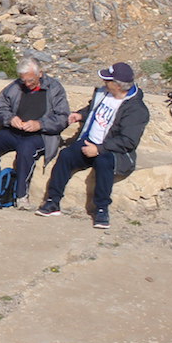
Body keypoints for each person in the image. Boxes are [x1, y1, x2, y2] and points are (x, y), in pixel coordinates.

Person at [36, 62, 150, 229]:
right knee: (66, 156)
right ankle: (53, 200)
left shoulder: (136, 109)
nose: (104, 82)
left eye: (108, 80)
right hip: (90, 141)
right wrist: (80, 115)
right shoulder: (104, 93)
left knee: (104, 163)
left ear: (118, 85)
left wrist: (99, 149)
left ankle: (102, 209)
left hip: (112, 150)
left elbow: (128, 141)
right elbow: (92, 109)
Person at [0, 57, 69, 209]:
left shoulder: (54, 88)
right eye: (23, 80)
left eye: (30, 80)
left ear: (40, 74)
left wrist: (40, 124)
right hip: (14, 131)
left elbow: (63, 118)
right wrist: (10, 119)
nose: (27, 84)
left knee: (26, 148)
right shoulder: (14, 87)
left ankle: (21, 195)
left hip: (41, 135)